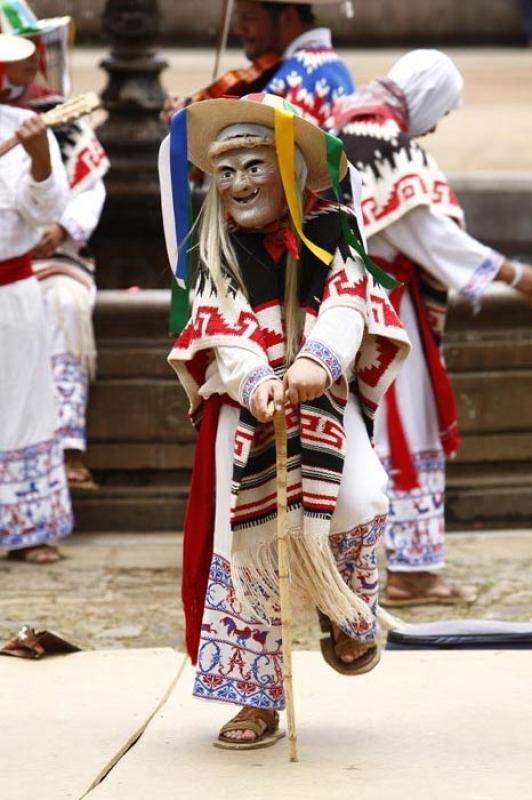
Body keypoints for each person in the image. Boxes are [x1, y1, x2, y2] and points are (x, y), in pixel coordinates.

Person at [159, 92, 410, 748]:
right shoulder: (209, 250)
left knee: (360, 495)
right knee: (241, 542)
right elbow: (219, 328)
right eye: (226, 171)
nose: (240, 183)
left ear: (289, 168)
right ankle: (255, 696)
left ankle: (344, 607)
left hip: (321, 398)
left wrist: (318, 363)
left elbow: (351, 306)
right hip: (250, 406)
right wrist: (258, 381)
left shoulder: (333, 236)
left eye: (254, 165)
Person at [329, 49, 532, 606]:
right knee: (407, 429)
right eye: (440, 111)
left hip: (342, 307)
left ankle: (360, 567)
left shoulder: (345, 121)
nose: (438, 125)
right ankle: (412, 573)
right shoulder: (387, 144)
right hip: (389, 315)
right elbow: (429, 236)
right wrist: (513, 273)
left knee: (361, 438)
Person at [1, 0, 109, 488]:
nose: (36, 57)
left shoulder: (57, 115)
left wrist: (62, 229)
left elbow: (91, 187)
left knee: (64, 303)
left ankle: (66, 448)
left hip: (50, 259)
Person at [0, 33, 72, 563]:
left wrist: (41, 156)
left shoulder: (19, 129)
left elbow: (43, 209)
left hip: (12, 290)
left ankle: (26, 527)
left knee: (21, 406)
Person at [162, 0, 354, 129]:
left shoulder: (292, 80)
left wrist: (190, 127)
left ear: (287, 17)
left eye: (248, 18)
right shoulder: (333, 65)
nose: (238, 29)